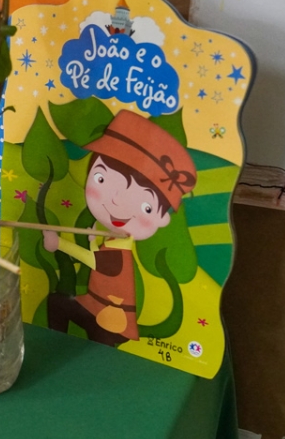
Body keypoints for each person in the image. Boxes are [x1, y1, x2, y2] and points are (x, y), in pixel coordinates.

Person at [42, 110, 196, 346]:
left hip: (109, 319)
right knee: (58, 303)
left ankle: (70, 351)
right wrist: (94, 240)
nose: (115, 202)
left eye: (146, 207)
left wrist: (59, 243)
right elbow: (99, 257)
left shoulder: (120, 251)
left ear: (162, 218)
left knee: (85, 332)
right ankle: (57, 345)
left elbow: (94, 261)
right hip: (93, 305)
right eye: (102, 179)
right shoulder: (114, 238)